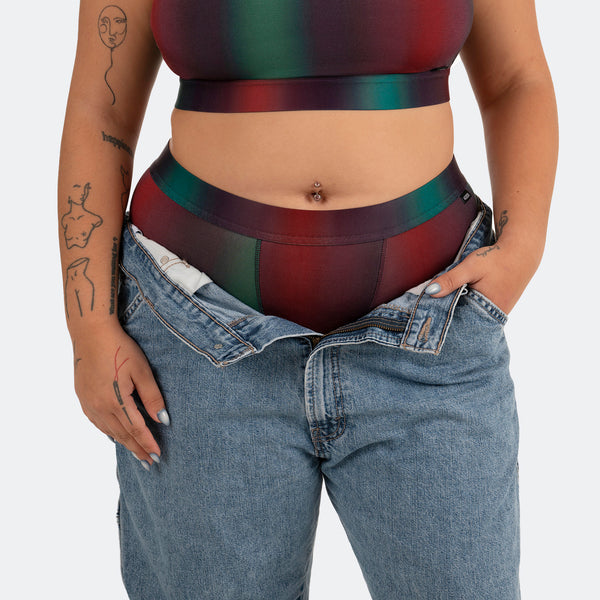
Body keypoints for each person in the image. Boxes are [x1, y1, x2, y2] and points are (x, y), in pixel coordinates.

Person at [58, 0, 558, 598]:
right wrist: (89, 326)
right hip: (195, 335)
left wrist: (523, 246)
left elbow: (516, 79)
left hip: (429, 330)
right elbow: (102, 109)